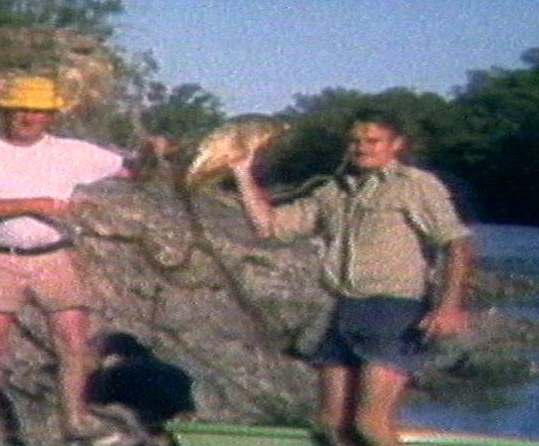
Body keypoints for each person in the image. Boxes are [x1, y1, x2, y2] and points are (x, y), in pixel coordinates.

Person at [230, 110, 474, 446]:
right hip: (345, 310)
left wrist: (449, 306)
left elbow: (457, 245)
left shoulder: (416, 186)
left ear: (396, 144)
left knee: (370, 425)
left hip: (395, 311)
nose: (362, 148)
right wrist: (243, 174)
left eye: (372, 141)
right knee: (332, 426)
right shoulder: (333, 191)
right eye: (355, 140)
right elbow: (269, 226)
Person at [0, 76, 133, 446]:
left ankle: (76, 424)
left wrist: (158, 156)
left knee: (73, 342)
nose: (27, 116)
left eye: (36, 110)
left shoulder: (72, 151)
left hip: (55, 257)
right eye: (20, 108)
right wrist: (33, 204)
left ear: (50, 115)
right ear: (5, 111)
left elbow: (131, 170)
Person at [85, 331, 195, 445]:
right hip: (166, 431)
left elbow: (97, 405)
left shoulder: (109, 374)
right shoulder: (176, 372)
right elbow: (186, 412)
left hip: (135, 430)